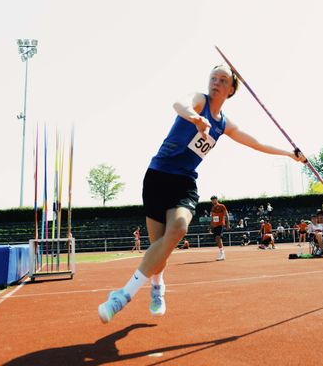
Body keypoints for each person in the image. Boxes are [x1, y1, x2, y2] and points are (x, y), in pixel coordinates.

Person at [98, 64, 306, 323]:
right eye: (213, 78)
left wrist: (289, 154)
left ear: (231, 90)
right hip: (157, 177)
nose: (215, 83)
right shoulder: (199, 102)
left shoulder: (224, 124)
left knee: (179, 229)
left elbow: (255, 143)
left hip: (184, 182)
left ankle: (122, 295)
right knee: (158, 252)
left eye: (222, 80)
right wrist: (194, 118)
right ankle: (157, 285)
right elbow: (179, 104)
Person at [210, 195, 230, 261]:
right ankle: (221, 251)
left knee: (218, 237)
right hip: (215, 225)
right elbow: (212, 218)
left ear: (217, 199)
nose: (213, 201)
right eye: (212, 200)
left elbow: (226, 215)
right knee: (217, 239)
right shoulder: (212, 208)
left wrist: (227, 224)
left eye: (214, 199)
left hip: (220, 224)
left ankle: (222, 253)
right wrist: (211, 227)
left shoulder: (222, 206)